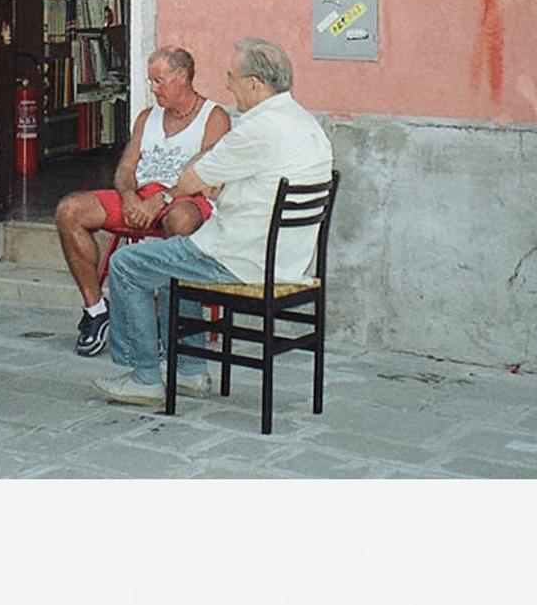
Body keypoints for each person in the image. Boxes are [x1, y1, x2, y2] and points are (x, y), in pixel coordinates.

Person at [93, 37, 333, 407]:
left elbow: (194, 178)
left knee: (127, 265)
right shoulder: (304, 122)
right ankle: (189, 370)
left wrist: (190, 175)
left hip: (242, 255)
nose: (227, 85)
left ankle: (143, 376)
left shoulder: (258, 129)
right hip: (288, 258)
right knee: (176, 259)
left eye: (232, 77)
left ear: (255, 83)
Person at [53, 46, 230, 357]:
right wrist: (129, 196)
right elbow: (126, 168)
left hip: (185, 198)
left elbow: (206, 177)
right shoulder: (147, 116)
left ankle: (165, 318)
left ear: (183, 77)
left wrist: (159, 201)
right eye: (151, 81)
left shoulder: (213, 117)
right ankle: (95, 311)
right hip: (142, 195)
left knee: (181, 220)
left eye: (159, 81)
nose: (153, 89)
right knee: (70, 210)